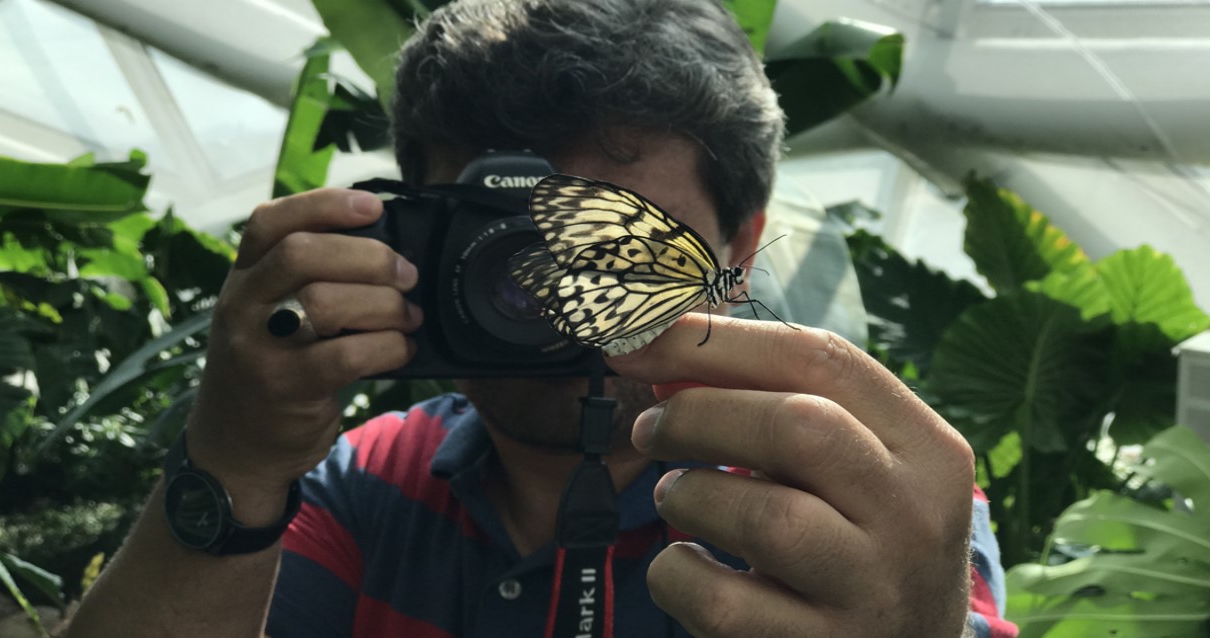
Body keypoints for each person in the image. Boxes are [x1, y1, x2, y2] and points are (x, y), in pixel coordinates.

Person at [68, 0, 1016, 636]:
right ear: (415, 230)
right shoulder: (362, 481)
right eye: (505, 244)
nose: (558, 294)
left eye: (615, 244)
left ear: (738, 248)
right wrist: (231, 462)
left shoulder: (856, 497)